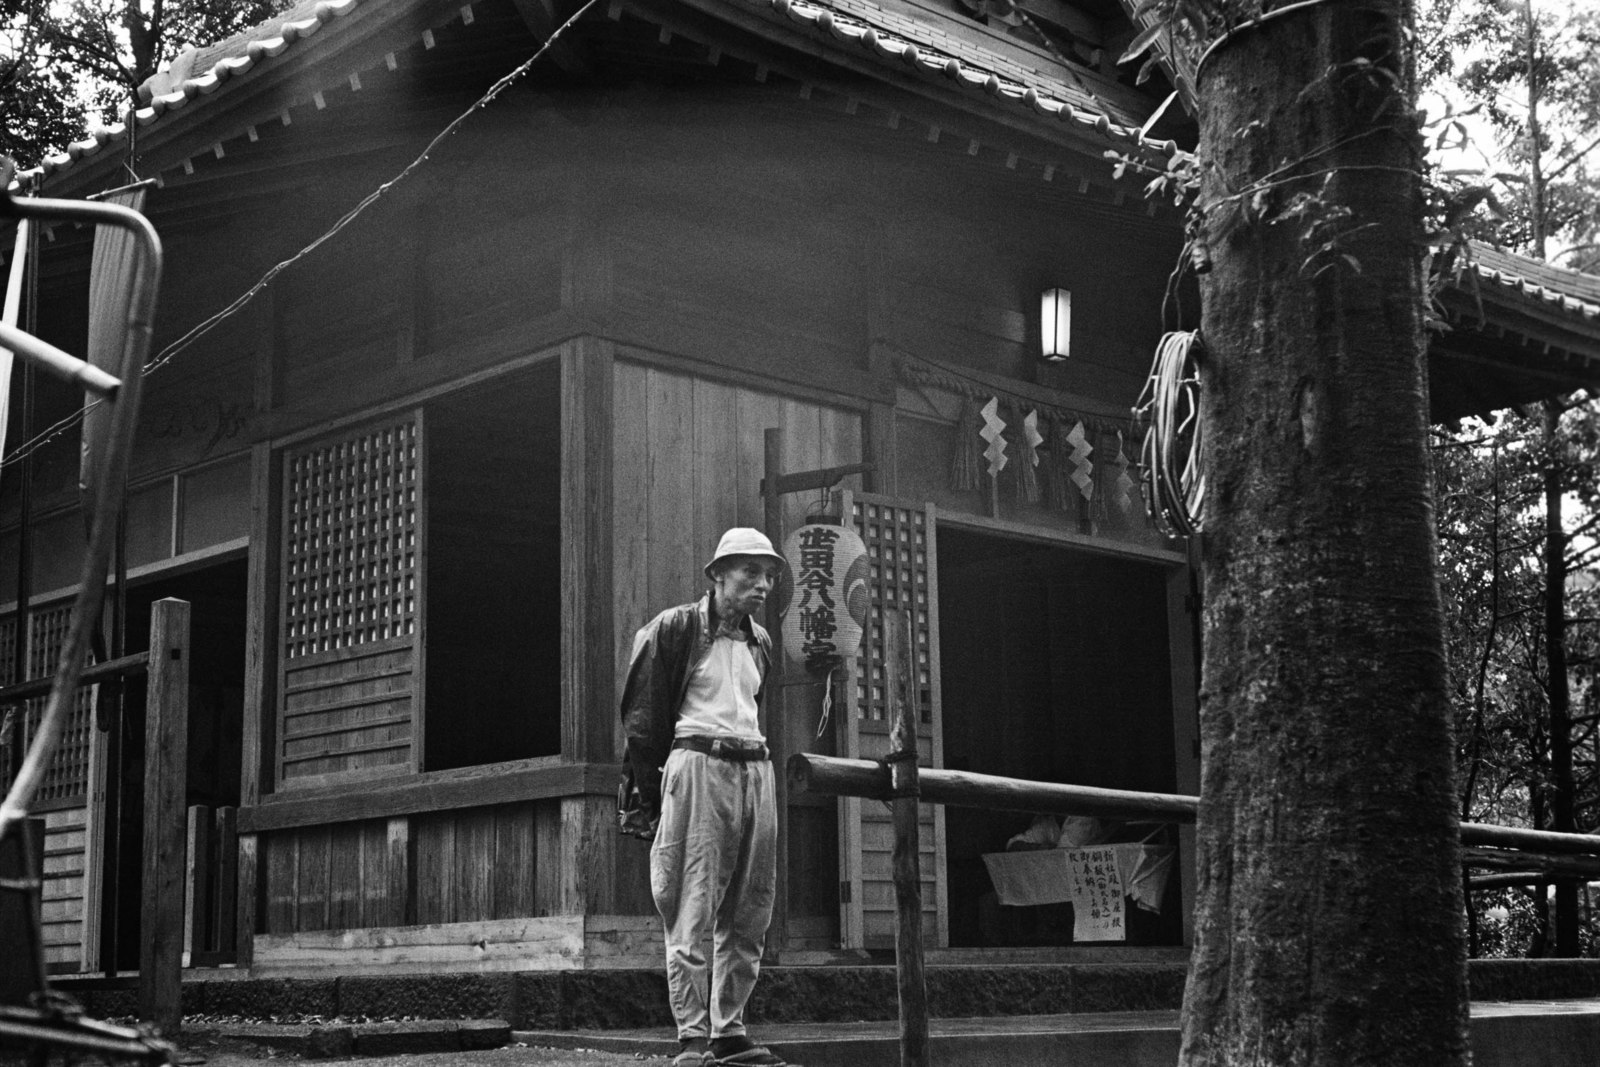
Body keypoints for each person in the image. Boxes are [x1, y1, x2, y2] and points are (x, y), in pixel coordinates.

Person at [619, 528, 789, 1067]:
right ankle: (692, 1037)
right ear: (717, 574)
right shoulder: (674, 629)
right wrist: (645, 798)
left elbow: (755, 707)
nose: (761, 585)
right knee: (692, 905)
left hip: (754, 771)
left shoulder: (759, 641)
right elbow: (644, 721)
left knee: (750, 909)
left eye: (767, 576)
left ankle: (730, 1029)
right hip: (698, 765)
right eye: (749, 573)